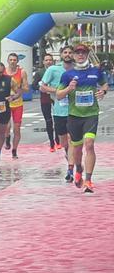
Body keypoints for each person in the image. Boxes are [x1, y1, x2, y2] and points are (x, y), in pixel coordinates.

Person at [56, 42, 108, 193]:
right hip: (74, 116)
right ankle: (78, 168)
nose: (80, 55)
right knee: (77, 148)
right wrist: (68, 88)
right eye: (77, 53)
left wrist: (102, 92)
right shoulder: (68, 75)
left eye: (83, 53)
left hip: (91, 115)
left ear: (87, 55)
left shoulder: (95, 72)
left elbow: (104, 85)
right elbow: (59, 95)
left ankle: (89, 180)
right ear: (73, 55)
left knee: (90, 144)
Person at [40, 46, 74, 180]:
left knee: (73, 141)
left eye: (70, 52)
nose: (68, 54)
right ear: (61, 55)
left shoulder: (78, 69)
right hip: (59, 111)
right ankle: (70, 158)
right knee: (65, 143)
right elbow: (42, 87)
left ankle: (71, 169)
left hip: (75, 111)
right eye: (65, 52)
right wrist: (57, 91)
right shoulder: (53, 69)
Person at [6, 52, 29, 158]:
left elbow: (26, 88)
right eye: (10, 60)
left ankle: (14, 150)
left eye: (14, 60)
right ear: (7, 61)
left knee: (17, 128)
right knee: (6, 126)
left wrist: (18, 90)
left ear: (17, 61)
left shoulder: (22, 72)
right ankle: (7, 139)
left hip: (17, 103)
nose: (12, 62)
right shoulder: (4, 72)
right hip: (5, 103)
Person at [34, 54, 57, 150]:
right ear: (43, 62)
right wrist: (41, 88)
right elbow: (34, 85)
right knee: (48, 120)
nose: (48, 62)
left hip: (56, 97)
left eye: (50, 60)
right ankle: (51, 142)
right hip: (45, 98)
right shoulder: (40, 72)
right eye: (46, 60)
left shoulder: (57, 71)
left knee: (58, 119)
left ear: (53, 61)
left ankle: (58, 139)